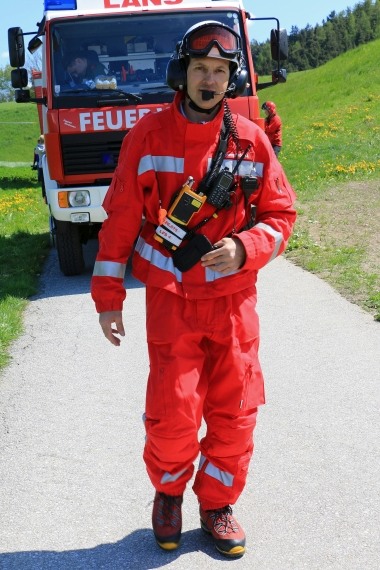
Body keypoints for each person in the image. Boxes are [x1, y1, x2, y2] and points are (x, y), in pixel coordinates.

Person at [91, 20, 296, 559]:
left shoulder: (250, 140)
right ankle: (168, 495)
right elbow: (119, 221)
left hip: (232, 302)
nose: (210, 80)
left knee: (236, 410)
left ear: (231, 79)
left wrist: (245, 249)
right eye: (201, 69)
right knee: (174, 409)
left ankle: (217, 504)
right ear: (182, 73)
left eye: (221, 72)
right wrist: (109, 299)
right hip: (172, 299)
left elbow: (280, 215)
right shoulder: (148, 135)